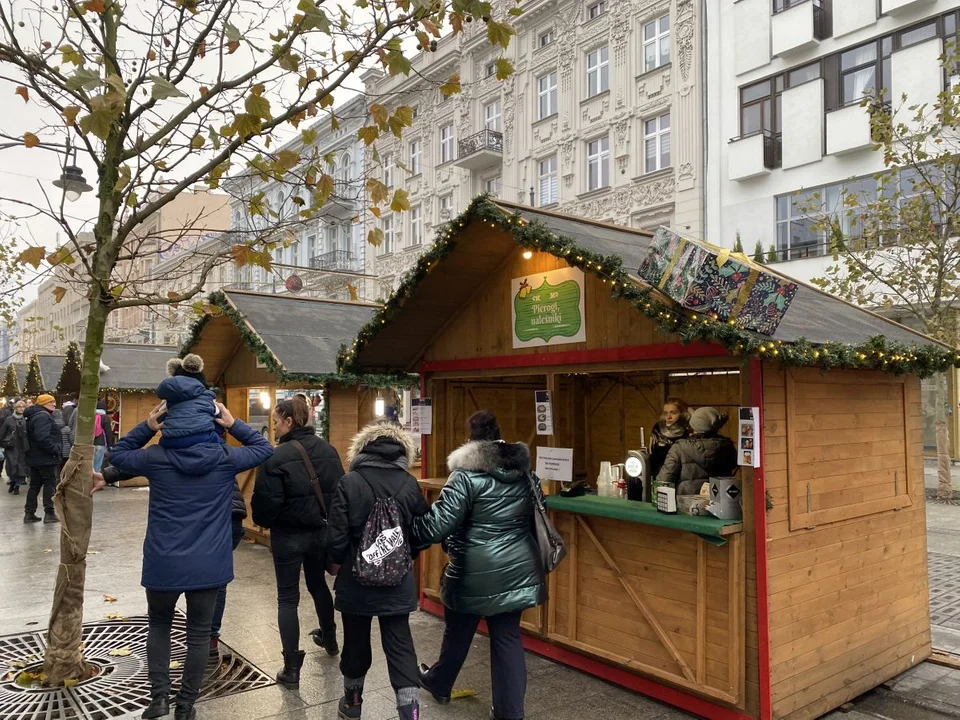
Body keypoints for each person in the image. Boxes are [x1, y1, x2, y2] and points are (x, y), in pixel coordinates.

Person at [109, 372, 273, 720]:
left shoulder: (155, 459)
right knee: (199, 635)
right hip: (208, 566)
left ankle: (158, 701)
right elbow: (264, 449)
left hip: (162, 564)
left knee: (159, 626)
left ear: (170, 419)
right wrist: (233, 423)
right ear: (207, 417)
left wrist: (147, 427)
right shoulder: (225, 459)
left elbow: (118, 454)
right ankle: (186, 706)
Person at [412, 411, 546, 720]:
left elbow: (437, 526)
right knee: (507, 636)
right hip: (519, 568)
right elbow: (539, 511)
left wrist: (409, 530)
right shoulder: (525, 473)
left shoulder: (466, 476)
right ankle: (509, 713)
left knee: (459, 629)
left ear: (472, 442)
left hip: (473, 569)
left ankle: (440, 682)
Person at [326, 421, 428, 720]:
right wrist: (407, 556)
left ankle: (353, 701)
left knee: (355, 640)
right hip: (397, 581)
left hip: (355, 579)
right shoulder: (409, 484)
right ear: (401, 453)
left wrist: (334, 562)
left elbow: (336, 535)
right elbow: (421, 530)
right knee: (399, 643)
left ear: (362, 450)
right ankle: (409, 712)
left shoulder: (350, 482)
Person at [252, 396, 345, 685]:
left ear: (289, 421)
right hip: (321, 534)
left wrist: (269, 522)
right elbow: (341, 496)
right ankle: (330, 639)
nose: (275, 428)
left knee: (288, 598)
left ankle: (291, 668)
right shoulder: (329, 451)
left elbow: (265, 510)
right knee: (318, 585)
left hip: (289, 538)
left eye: (277, 422)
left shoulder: (275, 459)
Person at [655, 406, 738, 496]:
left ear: (693, 424)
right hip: (718, 503)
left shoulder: (679, 448)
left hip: (685, 504)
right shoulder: (727, 447)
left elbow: (663, 481)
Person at [23, 394, 62, 524]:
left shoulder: (34, 416)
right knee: (50, 484)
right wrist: (55, 449)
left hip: (34, 457)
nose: (54, 405)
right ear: (44, 404)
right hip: (45, 458)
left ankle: (29, 513)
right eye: (51, 402)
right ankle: (49, 513)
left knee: (34, 485)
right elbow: (42, 438)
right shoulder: (42, 417)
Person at [649, 397, 691, 479]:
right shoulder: (658, 428)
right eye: (666, 413)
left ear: (682, 413)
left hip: (683, 475)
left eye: (673, 413)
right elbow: (652, 452)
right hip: (660, 474)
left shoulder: (688, 430)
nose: (668, 417)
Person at [0, 400, 28, 495]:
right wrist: (2, 444)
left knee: (21, 466)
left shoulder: (27, 419)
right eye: (19, 407)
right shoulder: (9, 419)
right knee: (12, 465)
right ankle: (12, 481)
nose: (21, 408)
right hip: (11, 447)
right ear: (16, 408)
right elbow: (2, 432)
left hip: (23, 447)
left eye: (23, 407)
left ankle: (17, 485)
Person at [93, 400, 115, 473]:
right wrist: (110, 445)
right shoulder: (105, 417)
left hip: (91, 444)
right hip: (101, 443)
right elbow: (108, 432)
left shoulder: (92, 417)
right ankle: (94, 482)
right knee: (97, 466)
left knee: (91, 466)